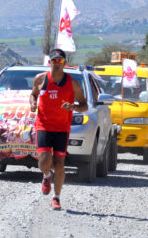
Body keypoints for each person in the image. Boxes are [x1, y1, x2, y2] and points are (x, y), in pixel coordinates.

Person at [29, 48, 88, 210]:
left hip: (62, 128)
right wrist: (33, 103)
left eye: (59, 61)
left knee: (59, 164)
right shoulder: (40, 79)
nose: (56, 63)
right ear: (50, 63)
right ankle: (47, 175)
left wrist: (73, 107)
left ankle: (56, 198)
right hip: (44, 125)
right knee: (44, 161)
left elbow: (84, 106)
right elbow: (33, 94)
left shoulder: (73, 83)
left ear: (64, 63)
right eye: (53, 60)